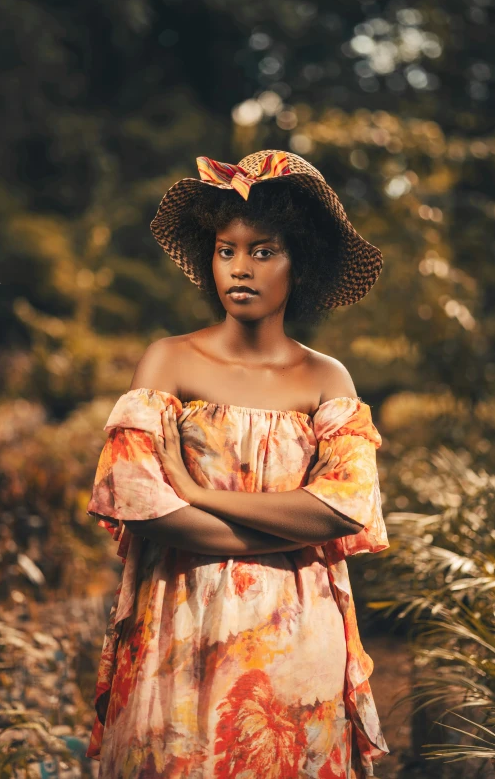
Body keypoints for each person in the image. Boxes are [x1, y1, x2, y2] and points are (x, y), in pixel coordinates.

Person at [85, 150, 390, 777]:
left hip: (298, 637)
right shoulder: (169, 362)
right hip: (179, 626)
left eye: (263, 251)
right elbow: (142, 506)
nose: (240, 269)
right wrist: (285, 528)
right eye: (227, 251)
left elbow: (345, 507)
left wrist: (200, 493)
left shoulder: (326, 377)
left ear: (299, 261)